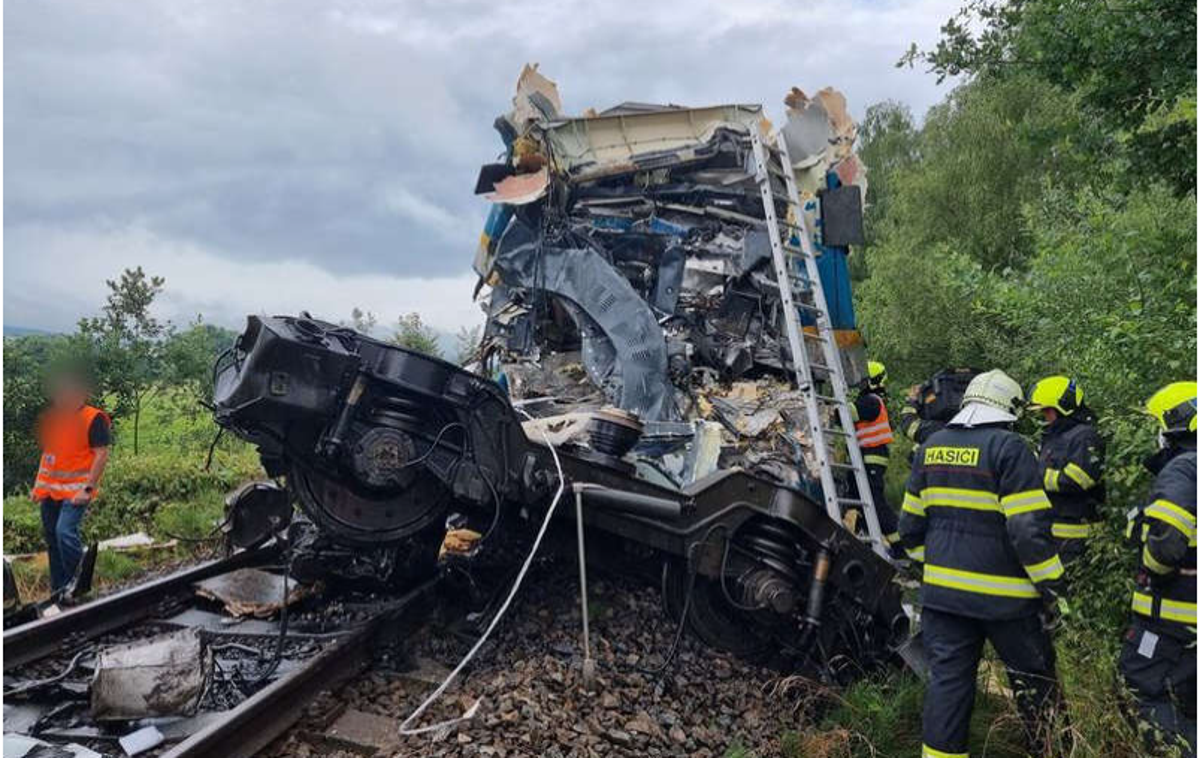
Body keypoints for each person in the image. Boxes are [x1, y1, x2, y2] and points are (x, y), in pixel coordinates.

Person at [898, 369, 1069, 758]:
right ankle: (1052, 750)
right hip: (1007, 603)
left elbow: (909, 527)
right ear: (1009, 409)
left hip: (943, 601)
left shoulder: (932, 446)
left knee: (948, 685)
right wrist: (1053, 587)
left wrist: (936, 570)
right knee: (1034, 683)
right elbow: (1028, 532)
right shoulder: (1009, 449)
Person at [1119, 381, 1196, 757]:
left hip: (1172, 623)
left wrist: (1152, 569)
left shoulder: (1184, 469)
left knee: (1142, 689)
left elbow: (1165, 543)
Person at [30, 371, 111, 597]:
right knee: (53, 539)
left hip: (77, 491)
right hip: (51, 493)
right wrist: (39, 487)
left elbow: (101, 454)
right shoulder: (54, 419)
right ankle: (60, 588)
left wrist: (88, 488)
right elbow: (49, 455)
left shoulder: (92, 418)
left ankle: (79, 584)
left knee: (64, 532)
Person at [1028, 376, 1106, 564]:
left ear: (1063, 407)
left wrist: (1034, 475)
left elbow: (1080, 479)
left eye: (1047, 410)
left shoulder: (1085, 436)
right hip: (1053, 532)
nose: (1044, 416)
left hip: (1078, 537)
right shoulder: (1055, 435)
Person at [851, 361, 901, 550]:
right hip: (865, 458)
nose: (860, 385)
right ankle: (864, 539)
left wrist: (829, 407)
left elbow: (848, 413)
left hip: (872, 457)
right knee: (858, 499)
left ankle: (900, 546)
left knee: (875, 503)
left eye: (863, 381)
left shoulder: (871, 401)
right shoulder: (871, 400)